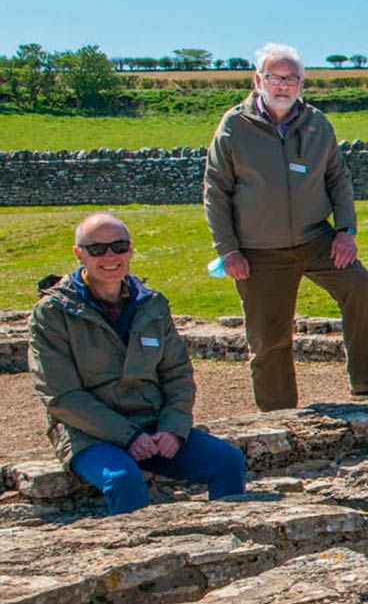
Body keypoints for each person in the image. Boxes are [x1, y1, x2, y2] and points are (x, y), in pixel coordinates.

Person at [29, 213, 248, 515]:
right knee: (123, 479)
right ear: (79, 254)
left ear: (130, 249)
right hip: (87, 434)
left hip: (153, 426)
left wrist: (172, 429)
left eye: (119, 247)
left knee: (227, 460)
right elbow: (61, 396)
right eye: (97, 249)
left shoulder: (152, 304)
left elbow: (178, 375)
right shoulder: (52, 313)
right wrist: (128, 436)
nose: (110, 256)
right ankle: (133, 559)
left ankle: (228, 545)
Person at [205, 42, 368, 411]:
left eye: (292, 78)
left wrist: (345, 231)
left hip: (315, 238)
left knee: (362, 289)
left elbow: (339, 179)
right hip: (259, 249)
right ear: (258, 80)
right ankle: (280, 415)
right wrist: (228, 249)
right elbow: (216, 191)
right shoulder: (234, 126)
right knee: (269, 337)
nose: (283, 85)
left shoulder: (317, 124)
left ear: (302, 83)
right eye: (275, 77)